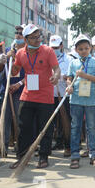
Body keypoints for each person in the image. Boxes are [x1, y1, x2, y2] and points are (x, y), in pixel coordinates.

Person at [9, 24, 61, 169]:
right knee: (23, 127)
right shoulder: (20, 53)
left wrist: (56, 77)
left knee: (45, 128)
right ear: (26, 40)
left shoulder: (48, 50)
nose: (38, 39)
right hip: (27, 96)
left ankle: (43, 157)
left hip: (45, 96)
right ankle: (22, 157)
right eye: (33, 37)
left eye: (39, 36)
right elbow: (14, 72)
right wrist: (9, 60)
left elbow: (56, 68)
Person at [66, 35, 95, 169]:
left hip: (92, 100)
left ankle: (93, 155)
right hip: (75, 99)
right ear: (76, 50)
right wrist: (69, 85)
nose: (84, 51)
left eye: (86, 48)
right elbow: (69, 78)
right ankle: (75, 155)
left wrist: (85, 76)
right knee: (75, 127)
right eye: (81, 49)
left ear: (90, 49)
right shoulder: (73, 63)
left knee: (92, 127)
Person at [0, 25, 27, 154]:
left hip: (21, 92)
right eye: (17, 33)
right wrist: (2, 62)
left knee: (20, 121)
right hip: (6, 90)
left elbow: (33, 75)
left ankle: (21, 147)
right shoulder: (8, 51)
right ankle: (2, 147)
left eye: (21, 33)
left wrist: (19, 84)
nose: (18, 35)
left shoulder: (28, 53)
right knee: (5, 119)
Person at [50, 35, 73, 157]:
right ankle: (50, 145)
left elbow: (72, 75)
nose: (54, 49)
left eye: (56, 47)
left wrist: (64, 76)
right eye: (52, 47)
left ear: (61, 46)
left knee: (66, 121)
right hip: (50, 95)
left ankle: (68, 146)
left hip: (64, 95)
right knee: (50, 122)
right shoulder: (47, 58)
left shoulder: (69, 59)